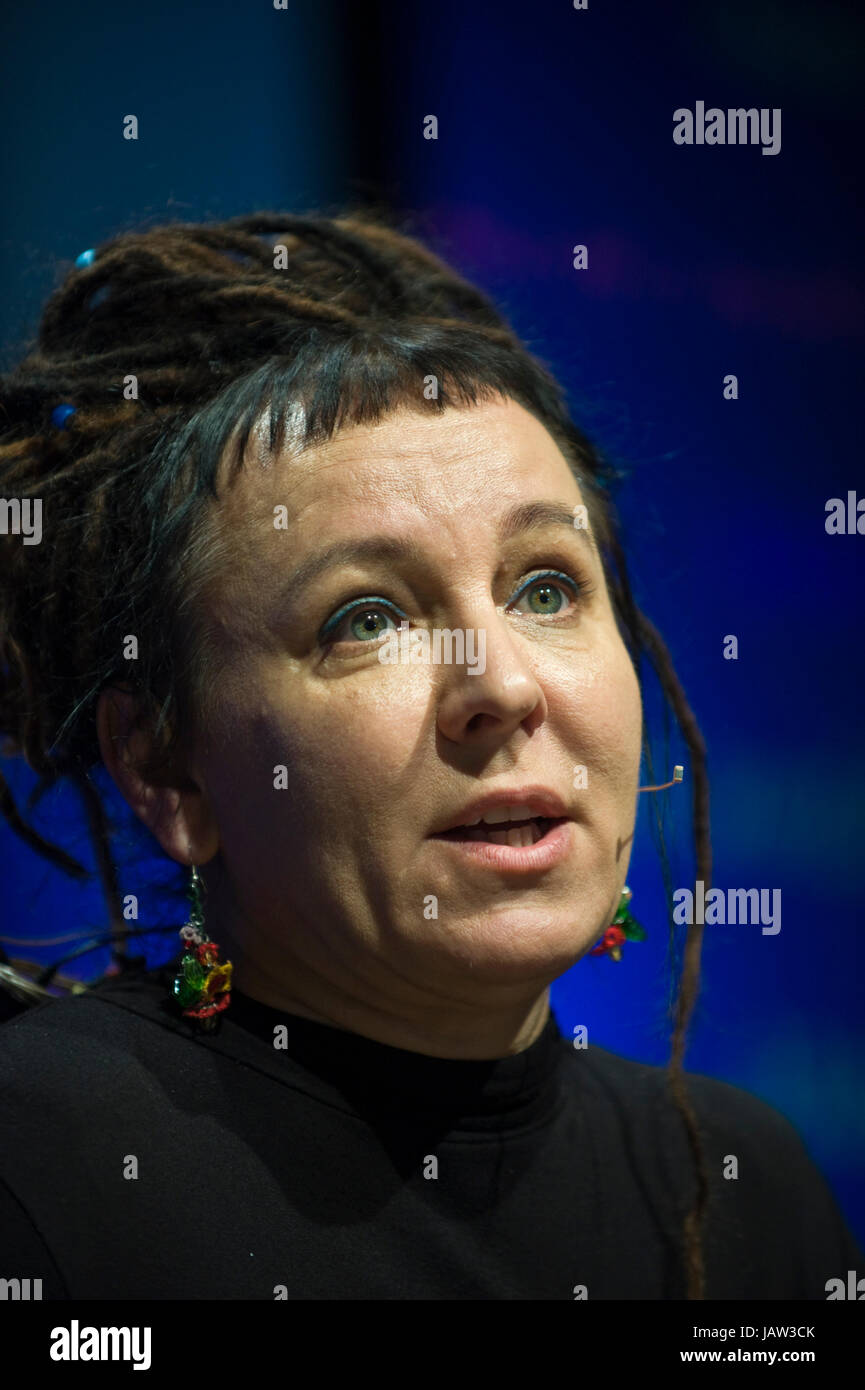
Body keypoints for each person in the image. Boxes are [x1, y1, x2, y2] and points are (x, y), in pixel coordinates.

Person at [0, 210, 859, 1300]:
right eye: (366, 618)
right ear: (167, 768)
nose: (500, 686)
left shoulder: (743, 1192)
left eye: (545, 589)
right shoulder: (39, 1165)